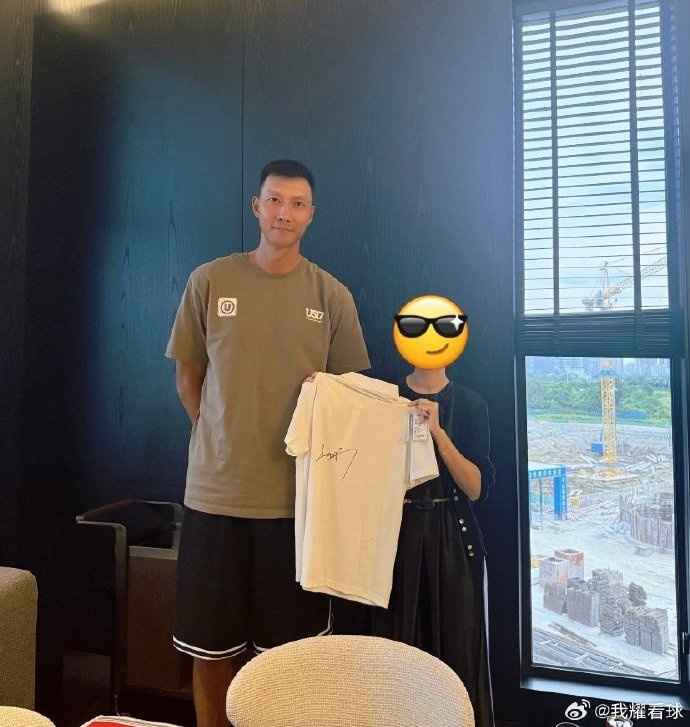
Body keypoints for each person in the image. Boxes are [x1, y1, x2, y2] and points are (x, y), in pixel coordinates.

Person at [165, 159, 370, 727]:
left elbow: (349, 396)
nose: (285, 213)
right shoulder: (211, 280)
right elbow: (188, 377)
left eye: (297, 203)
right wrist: (218, 433)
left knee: (287, 661)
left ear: (311, 215)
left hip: (298, 504)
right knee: (211, 652)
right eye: (275, 200)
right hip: (216, 496)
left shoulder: (331, 295)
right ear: (257, 207)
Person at [371, 295, 496, 727]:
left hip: (452, 537)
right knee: (395, 653)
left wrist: (438, 432)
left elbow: (475, 488)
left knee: (456, 653)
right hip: (394, 534)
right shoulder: (384, 397)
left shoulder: (473, 404)